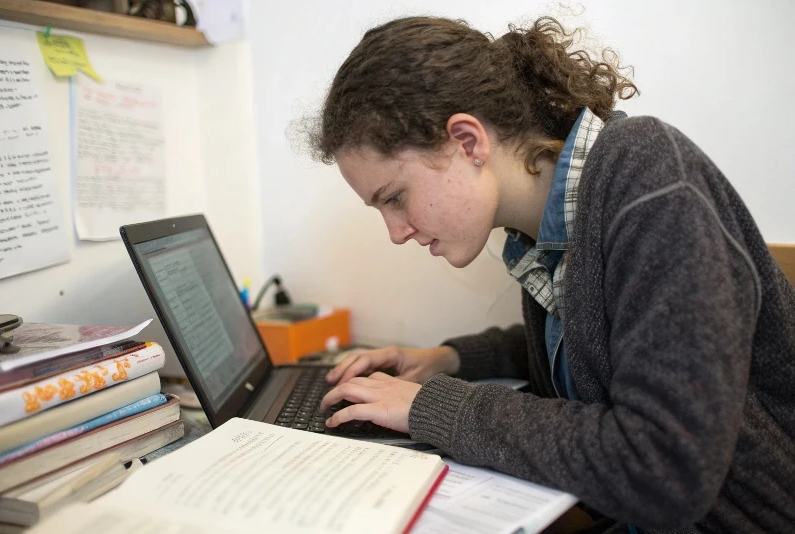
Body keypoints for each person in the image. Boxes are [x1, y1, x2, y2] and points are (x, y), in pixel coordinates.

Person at [309, 15, 795, 533]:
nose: (396, 232)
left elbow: (667, 468)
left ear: (467, 141)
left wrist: (435, 405)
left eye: (395, 197)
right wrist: (446, 360)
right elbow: (602, 345)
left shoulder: (648, 175)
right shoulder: (541, 230)